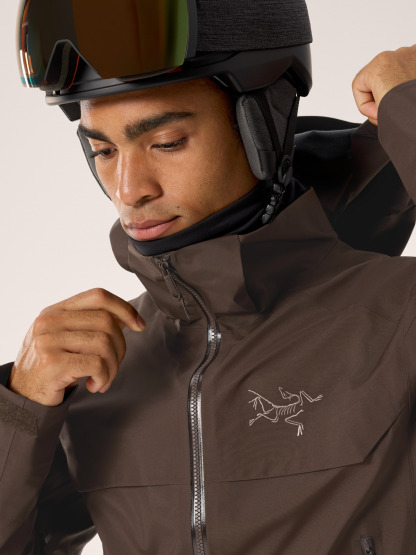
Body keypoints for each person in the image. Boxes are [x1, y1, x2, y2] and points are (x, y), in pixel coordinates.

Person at [1, 0, 416, 553]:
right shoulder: (105, 366)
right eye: (102, 150)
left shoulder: (399, 315)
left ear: (263, 123)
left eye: (166, 143)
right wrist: (20, 408)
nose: (128, 190)